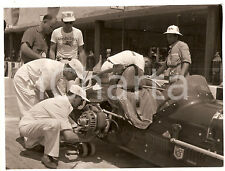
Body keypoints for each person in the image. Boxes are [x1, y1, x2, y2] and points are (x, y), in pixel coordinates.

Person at [19, 85, 90, 169]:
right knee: (54, 124)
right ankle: (48, 156)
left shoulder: (63, 103)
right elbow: (68, 136)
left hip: (35, 126)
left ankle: (33, 144)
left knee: (57, 126)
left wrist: (75, 130)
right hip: (26, 126)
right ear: (76, 96)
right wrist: (86, 138)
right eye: (81, 100)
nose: (81, 103)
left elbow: (68, 125)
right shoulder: (60, 104)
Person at [14, 58, 84, 116]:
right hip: (24, 78)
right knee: (31, 110)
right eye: (75, 76)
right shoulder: (52, 70)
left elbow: (50, 91)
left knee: (37, 111)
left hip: (33, 82)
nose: (74, 79)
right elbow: (41, 90)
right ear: (70, 71)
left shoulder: (59, 72)